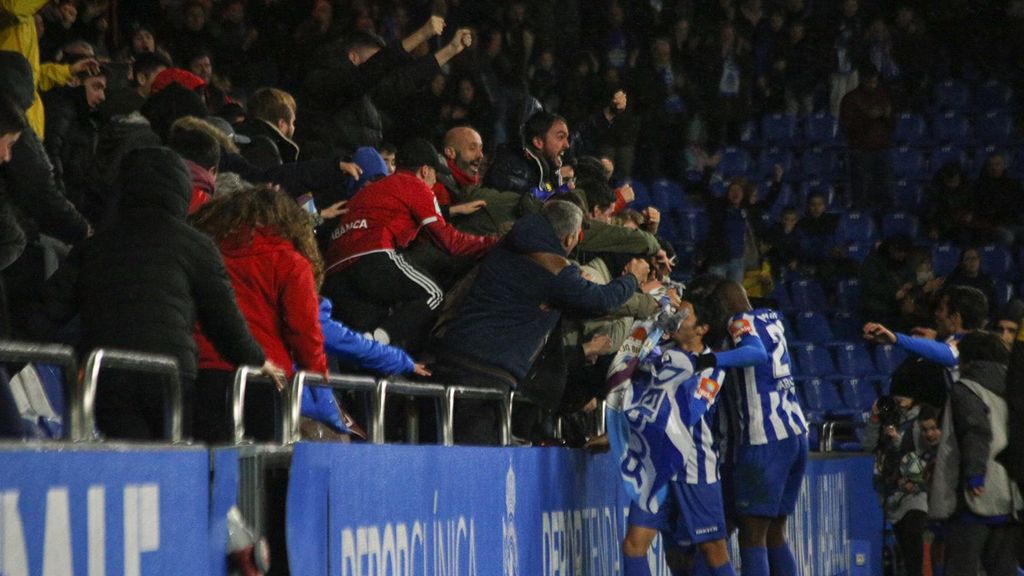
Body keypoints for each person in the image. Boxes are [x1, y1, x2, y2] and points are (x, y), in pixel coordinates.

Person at [42, 147, 278, 440]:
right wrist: (257, 360)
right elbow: (224, 321)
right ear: (181, 189)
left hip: (109, 374)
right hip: (171, 376)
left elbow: (46, 311)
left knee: (129, 467)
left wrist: (9, 358)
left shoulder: (95, 247)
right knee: (168, 468)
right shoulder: (196, 246)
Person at [437, 200, 648, 444]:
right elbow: (600, 301)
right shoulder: (552, 268)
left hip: (456, 354)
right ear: (569, 239)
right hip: (485, 372)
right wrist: (633, 278)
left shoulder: (515, 242)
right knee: (471, 462)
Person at [322, 138, 498, 351]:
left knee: (362, 346)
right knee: (432, 294)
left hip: (333, 272)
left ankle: (370, 349)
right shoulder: (414, 185)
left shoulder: (371, 190)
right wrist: (495, 242)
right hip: (372, 255)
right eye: (435, 176)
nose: (435, 183)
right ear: (425, 171)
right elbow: (451, 243)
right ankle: (378, 343)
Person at [614, 296, 735, 576]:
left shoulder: (711, 367)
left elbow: (689, 413)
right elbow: (628, 371)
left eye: (686, 314)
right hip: (656, 465)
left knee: (713, 549)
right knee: (633, 545)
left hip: (695, 465)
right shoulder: (660, 355)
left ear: (702, 328)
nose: (678, 318)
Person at [700, 280, 807, 576]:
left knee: (752, 535)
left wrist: (710, 359)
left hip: (764, 439)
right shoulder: (770, 317)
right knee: (774, 532)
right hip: (794, 433)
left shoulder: (739, 321)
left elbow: (755, 353)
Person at [930, 331, 1022, 576]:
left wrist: (975, 474)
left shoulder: (967, 389)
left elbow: (976, 430)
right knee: (1002, 568)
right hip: (1009, 494)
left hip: (974, 497)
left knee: (962, 567)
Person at [863, 363, 940, 576]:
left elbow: (925, 454)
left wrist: (898, 441)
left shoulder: (922, 420)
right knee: (903, 549)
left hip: (916, 493)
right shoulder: (888, 417)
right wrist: (875, 419)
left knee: (913, 538)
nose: (899, 403)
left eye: (903, 398)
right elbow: (868, 446)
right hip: (890, 491)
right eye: (896, 398)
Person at [839, 64, 894, 209]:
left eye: (875, 81)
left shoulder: (882, 95)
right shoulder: (850, 98)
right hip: (860, 150)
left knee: (886, 187)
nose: (872, 85)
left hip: (881, 148)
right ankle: (862, 221)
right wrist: (866, 117)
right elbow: (846, 125)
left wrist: (888, 116)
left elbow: (892, 123)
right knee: (861, 189)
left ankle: (884, 221)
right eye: (869, 81)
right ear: (862, 80)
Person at [484, 110, 570, 197]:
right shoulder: (515, 169)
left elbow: (544, 195)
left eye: (567, 138)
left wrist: (561, 191)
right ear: (538, 142)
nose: (567, 145)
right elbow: (528, 206)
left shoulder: (544, 170)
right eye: (561, 137)